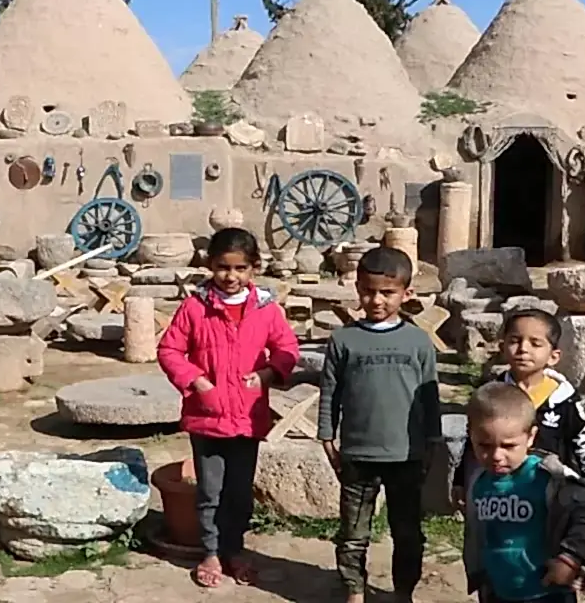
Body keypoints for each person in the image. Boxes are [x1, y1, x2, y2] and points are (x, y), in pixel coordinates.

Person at [157, 227, 300, 588]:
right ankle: (209, 552)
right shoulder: (195, 307)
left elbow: (287, 349)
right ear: (210, 265)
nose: (231, 277)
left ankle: (234, 549)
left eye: (240, 269)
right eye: (223, 268)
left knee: (239, 490)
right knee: (209, 491)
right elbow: (169, 350)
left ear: (254, 268)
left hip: (248, 418)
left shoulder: (266, 310)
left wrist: (268, 374)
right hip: (206, 418)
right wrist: (197, 381)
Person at [317, 247, 442, 603]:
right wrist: (327, 435)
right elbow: (330, 391)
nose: (376, 300)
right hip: (357, 453)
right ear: (357, 288)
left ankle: (404, 592)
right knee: (353, 533)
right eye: (368, 291)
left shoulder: (418, 341)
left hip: (407, 455)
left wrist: (432, 441)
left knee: (408, 533)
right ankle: (354, 591)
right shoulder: (343, 340)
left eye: (387, 293)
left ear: (406, 293)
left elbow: (430, 396)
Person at [462, 382, 585, 602]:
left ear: (530, 437)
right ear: (470, 436)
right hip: (498, 593)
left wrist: (571, 559)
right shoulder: (479, 483)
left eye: (509, 446)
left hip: (548, 593)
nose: (496, 456)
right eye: (484, 446)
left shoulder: (549, 478)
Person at [452, 309, 585, 510]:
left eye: (535, 343)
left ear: (553, 356)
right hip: (496, 490)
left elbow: (581, 441)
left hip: (547, 491)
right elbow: (473, 438)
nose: (523, 349)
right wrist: (461, 479)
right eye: (515, 341)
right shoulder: (490, 393)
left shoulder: (564, 400)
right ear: (502, 347)